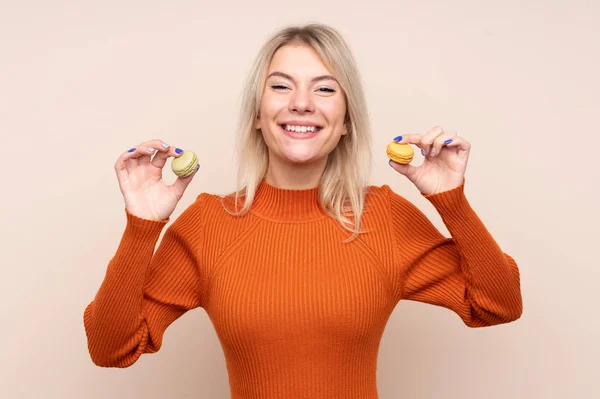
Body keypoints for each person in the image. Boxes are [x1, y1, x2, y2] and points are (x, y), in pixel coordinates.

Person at [83, 23, 523, 398]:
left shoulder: (384, 217)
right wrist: (142, 227)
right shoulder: (208, 225)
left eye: (325, 88)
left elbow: (498, 305)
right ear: (258, 113)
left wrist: (452, 201)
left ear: (346, 120)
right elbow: (111, 350)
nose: (301, 103)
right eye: (280, 86)